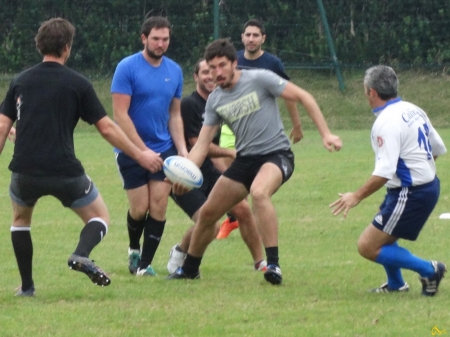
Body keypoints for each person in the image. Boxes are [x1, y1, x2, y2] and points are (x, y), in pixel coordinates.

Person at [0, 18, 163, 296]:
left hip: (25, 171)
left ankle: (27, 288)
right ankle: (80, 253)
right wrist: (140, 154)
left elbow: (3, 125)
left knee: (20, 222)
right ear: (67, 47)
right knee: (99, 216)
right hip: (65, 170)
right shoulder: (78, 83)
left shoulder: (20, 81)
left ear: (40, 45)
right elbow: (107, 127)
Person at [167, 38, 342, 285]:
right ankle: (190, 269)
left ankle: (273, 265)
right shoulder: (215, 99)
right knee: (208, 213)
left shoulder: (260, 78)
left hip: (276, 154)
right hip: (245, 160)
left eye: (222, 66)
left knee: (259, 193)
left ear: (234, 64)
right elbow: (203, 144)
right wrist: (185, 172)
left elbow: (304, 96)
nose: (217, 72)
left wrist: (326, 133)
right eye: (212, 67)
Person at [330, 65, 447, 296]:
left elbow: (385, 171)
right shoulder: (413, 109)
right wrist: (421, 171)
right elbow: (438, 147)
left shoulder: (385, 122)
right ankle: (396, 284)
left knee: (367, 246)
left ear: (371, 92)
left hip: (411, 192)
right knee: (383, 233)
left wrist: (356, 196)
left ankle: (430, 269)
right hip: (422, 186)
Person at [167, 59, 266, 273]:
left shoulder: (219, 102)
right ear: (195, 77)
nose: (210, 76)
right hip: (185, 175)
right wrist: (231, 153)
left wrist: (235, 178)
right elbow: (197, 144)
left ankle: (261, 264)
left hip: (210, 172)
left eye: (212, 71)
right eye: (204, 72)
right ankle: (180, 250)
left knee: (243, 209)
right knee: (210, 225)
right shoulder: (189, 105)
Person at [111, 16, 188, 276]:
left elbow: (175, 114)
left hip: (164, 148)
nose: (160, 43)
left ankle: (144, 265)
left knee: (159, 205)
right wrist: (141, 151)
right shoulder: (127, 67)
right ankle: (134, 249)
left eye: (165, 39)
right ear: (144, 38)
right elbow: (120, 114)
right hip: (131, 148)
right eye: (155, 38)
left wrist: (183, 151)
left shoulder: (175, 71)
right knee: (139, 208)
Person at [216, 18, 304, 239]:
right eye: (248, 35)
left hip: (260, 133)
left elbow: (290, 96)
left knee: (257, 186)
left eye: (256, 35)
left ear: (263, 38)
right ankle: (234, 218)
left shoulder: (272, 64)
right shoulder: (232, 60)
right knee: (231, 181)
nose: (251, 39)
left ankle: (254, 223)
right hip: (229, 130)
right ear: (242, 37)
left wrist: (297, 125)